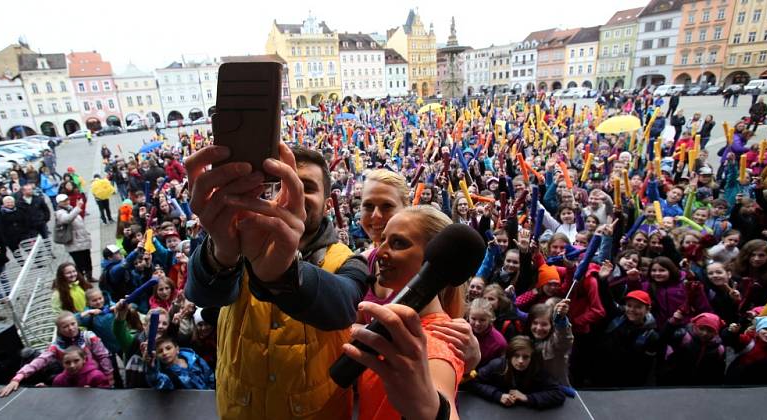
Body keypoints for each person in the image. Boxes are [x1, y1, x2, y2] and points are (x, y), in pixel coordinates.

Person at [185, 144, 369, 419]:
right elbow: (203, 294)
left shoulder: (348, 260)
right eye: (282, 182)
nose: (291, 192)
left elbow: (342, 307)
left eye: (305, 185)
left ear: (329, 203)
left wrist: (283, 273)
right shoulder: (237, 247)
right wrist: (221, 252)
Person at [346, 205, 465, 420]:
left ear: (437, 259)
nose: (380, 252)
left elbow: (439, 395)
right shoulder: (397, 322)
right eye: (382, 240)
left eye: (398, 243)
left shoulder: (435, 344)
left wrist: (431, 411)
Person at [0, 312, 113, 397]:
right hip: (71, 378)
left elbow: (103, 356)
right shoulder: (56, 346)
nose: (71, 328)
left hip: (92, 376)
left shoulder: (89, 337)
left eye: (73, 324)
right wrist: (18, 377)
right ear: (59, 329)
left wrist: (109, 377)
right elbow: (40, 361)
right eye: (65, 326)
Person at [470, 336, 566, 410]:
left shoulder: (536, 370)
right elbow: (473, 382)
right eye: (516, 356)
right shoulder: (497, 365)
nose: (520, 361)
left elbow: (558, 393)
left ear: (531, 357)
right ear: (509, 356)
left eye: (525, 357)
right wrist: (498, 395)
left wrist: (528, 398)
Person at [145, 335, 215, 390]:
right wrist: (150, 367)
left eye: (168, 348)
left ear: (177, 349)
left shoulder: (194, 358)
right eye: (160, 351)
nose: (164, 353)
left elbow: (209, 374)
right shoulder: (165, 374)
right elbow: (158, 382)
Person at [55, 193, 93, 279]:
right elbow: (67, 219)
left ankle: (89, 276)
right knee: (79, 263)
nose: (66, 202)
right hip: (73, 242)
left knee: (87, 260)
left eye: (67, 200)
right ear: (59, 203)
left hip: (82, 239)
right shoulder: (59, 213)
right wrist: (77, 208)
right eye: (63, 201)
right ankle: (81, 280)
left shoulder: (71, 209)